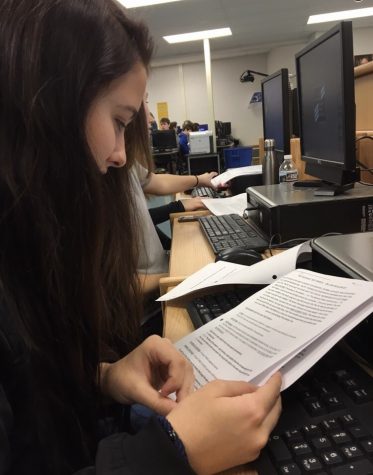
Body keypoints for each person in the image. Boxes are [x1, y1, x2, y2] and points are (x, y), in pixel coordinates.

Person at [0, 1, 282, 474]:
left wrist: (105, 376)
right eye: (118, 120)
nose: (116, 156)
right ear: (47, 109)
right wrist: (170, 452)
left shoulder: (30, 242)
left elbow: (29, 398)